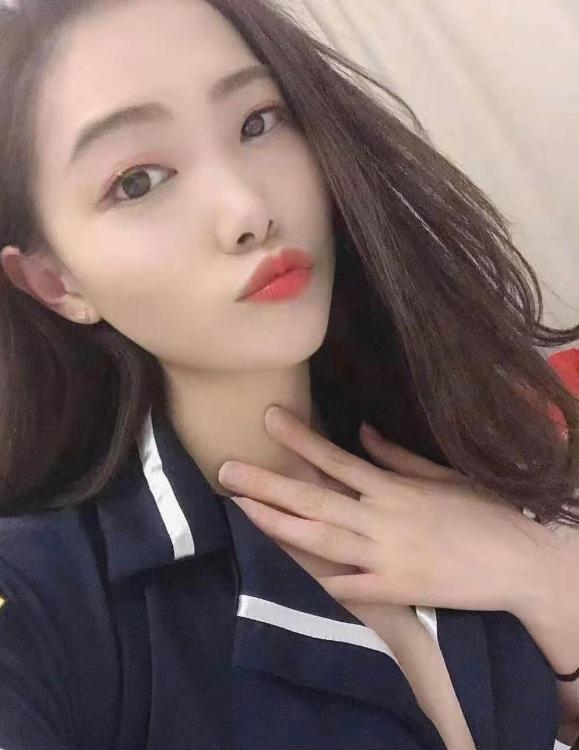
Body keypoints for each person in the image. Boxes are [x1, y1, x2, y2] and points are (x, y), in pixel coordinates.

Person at [0, 0, 576, 748]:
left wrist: (544, 578)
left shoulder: (456, 435)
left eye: (257, 122)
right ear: (55, 283)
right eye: (138, 181)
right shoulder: (47, 597)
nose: (247, 210)